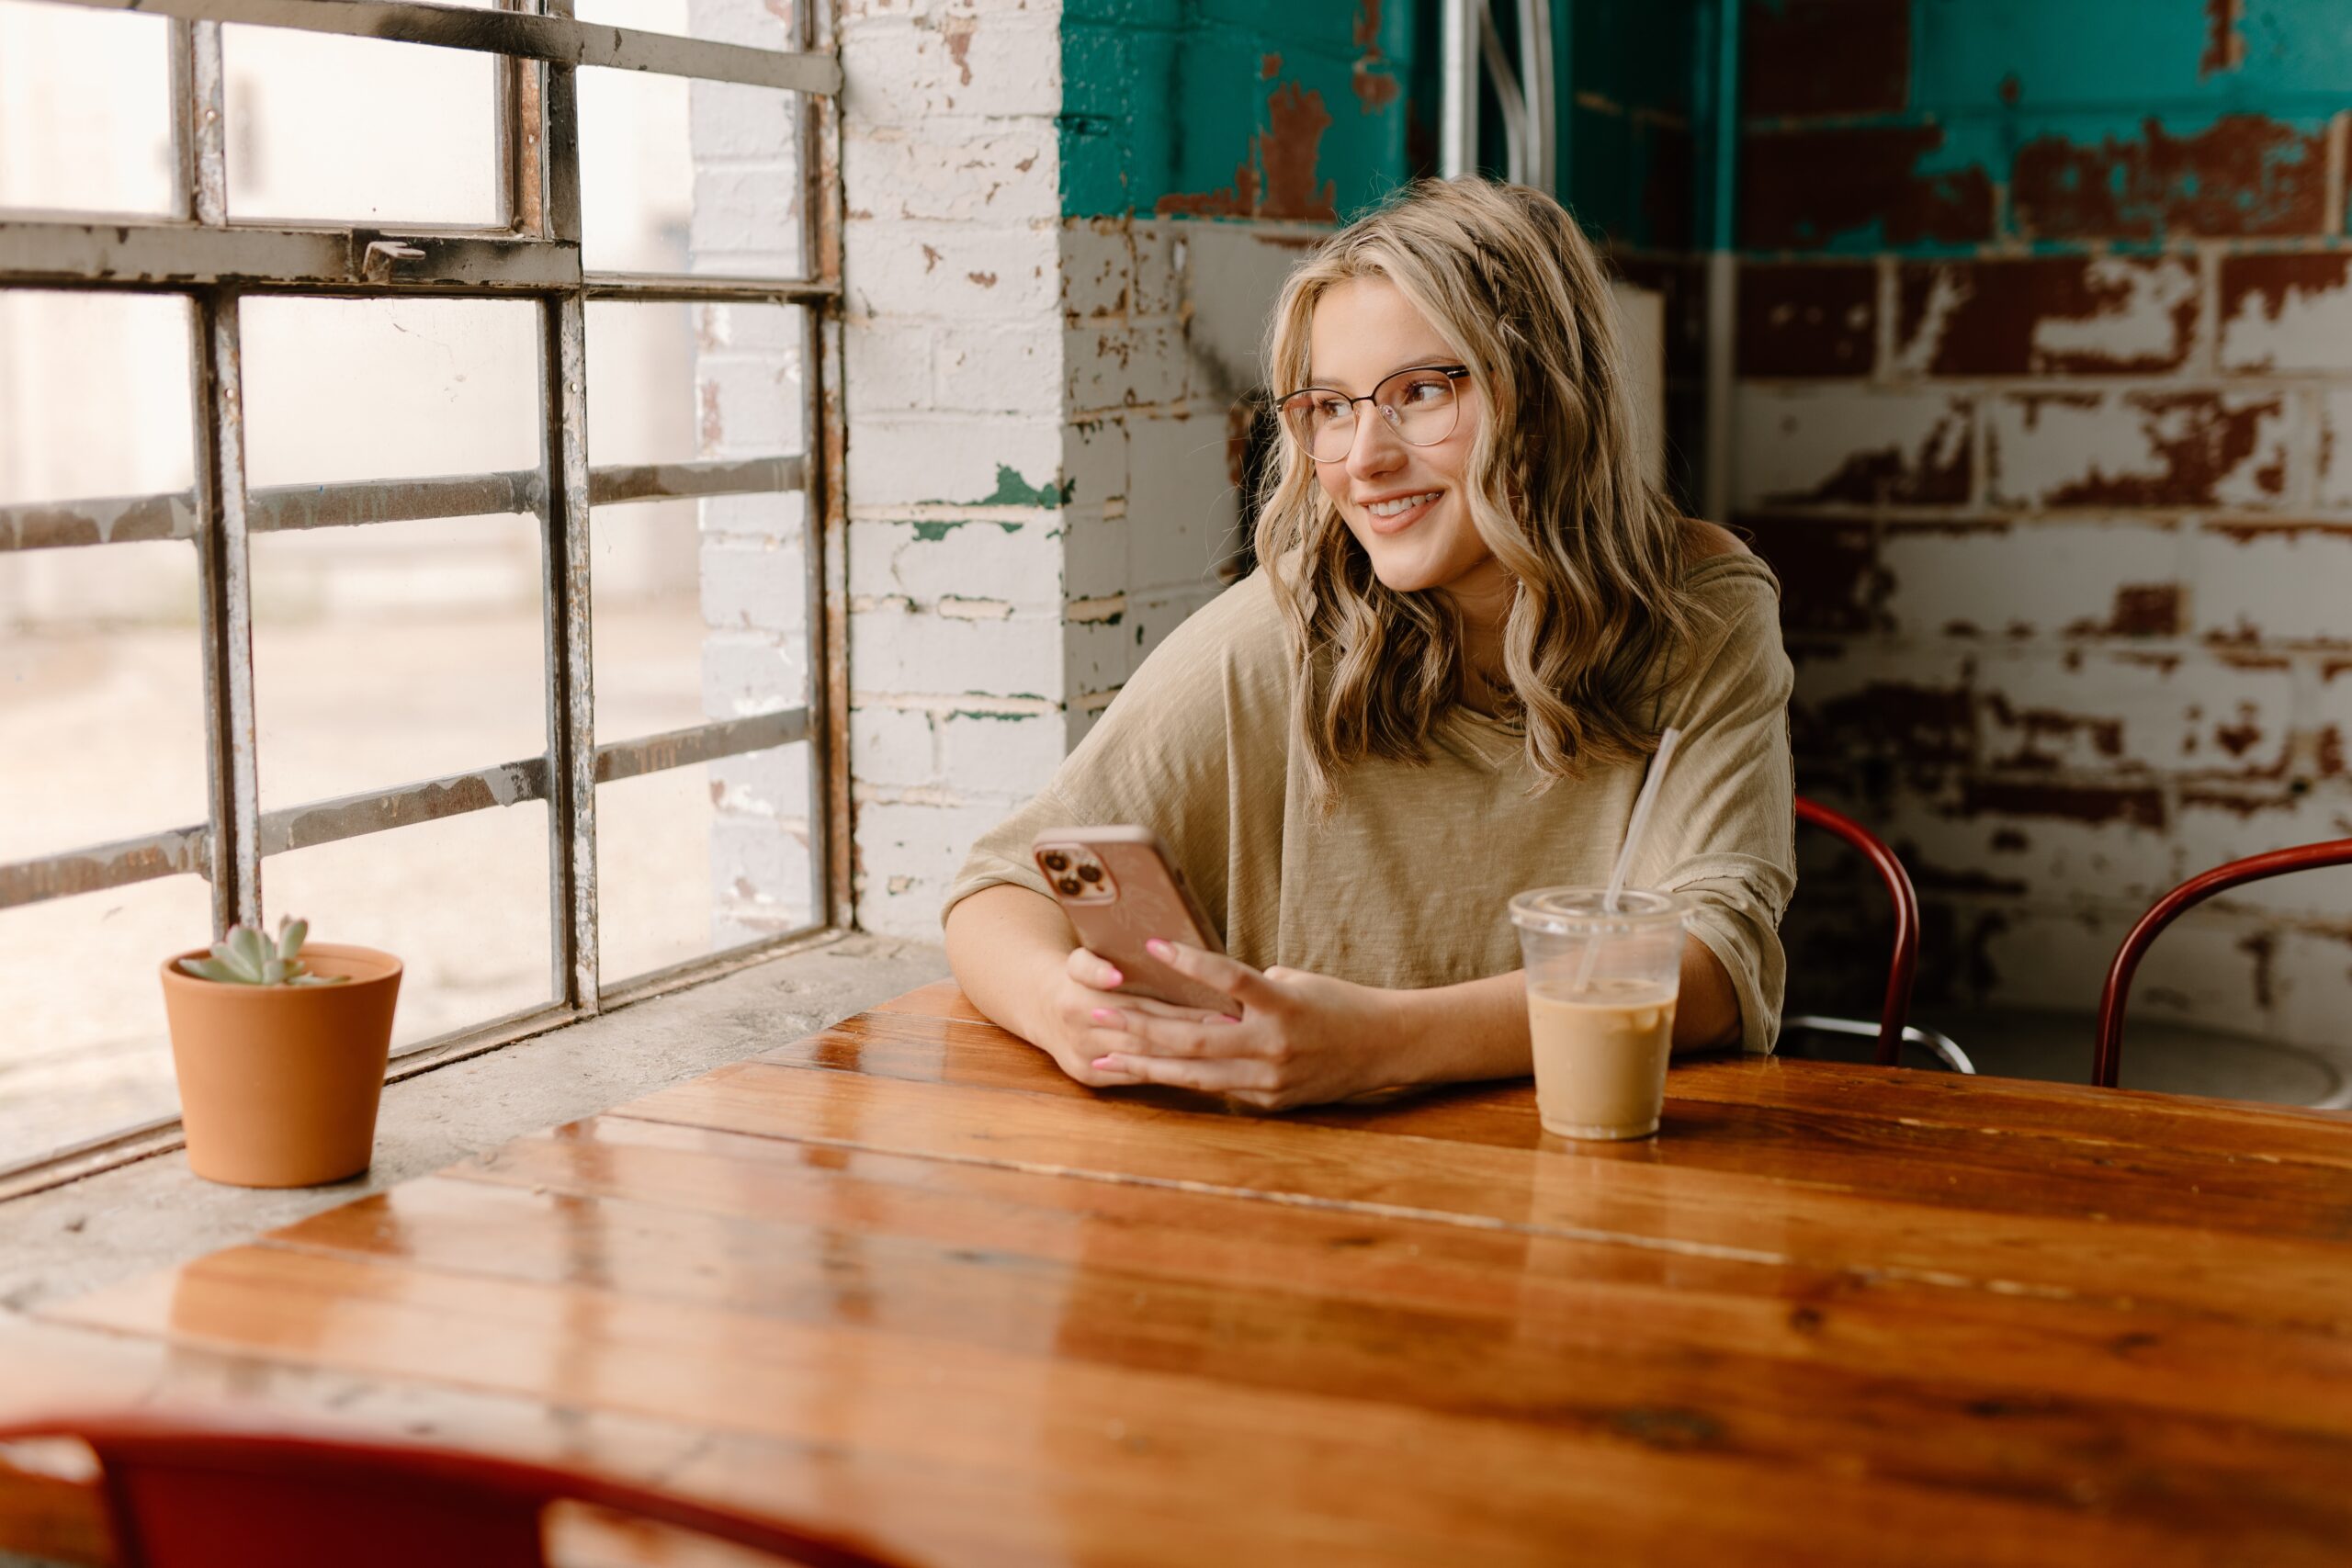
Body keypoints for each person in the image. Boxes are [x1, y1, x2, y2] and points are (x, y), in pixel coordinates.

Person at [940, 176, 1794, 1111]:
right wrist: (1062, 1010)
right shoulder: (1268, 643)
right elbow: (1000, 889)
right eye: (1330, 409)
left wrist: (1379, 1044)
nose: (1362, 459)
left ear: (1546, 399)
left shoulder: (1700, 617)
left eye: (1420, 392)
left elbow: (1718, 965)